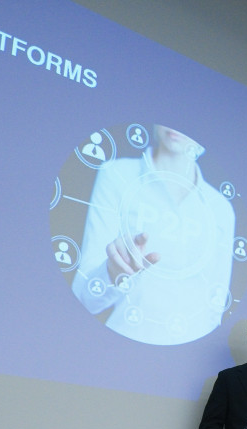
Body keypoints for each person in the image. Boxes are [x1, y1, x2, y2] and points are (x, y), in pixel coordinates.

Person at [71, 124, 235, 345]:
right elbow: (84, 297)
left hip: (189, 357)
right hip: (120, 346)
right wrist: (113, 273)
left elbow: (215, 308)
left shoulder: (221, 209)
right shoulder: (117, 175)